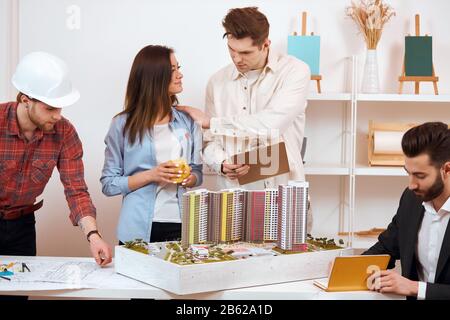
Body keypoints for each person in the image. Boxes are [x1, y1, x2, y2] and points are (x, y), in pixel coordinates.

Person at [176, 7, 311, 228]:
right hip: (234, 198)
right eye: (231, 50)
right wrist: (221, 163)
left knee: (291, 262)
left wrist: (213, 122)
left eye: (246, 53)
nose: (237, 58)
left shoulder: (295, 72)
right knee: (231, 262)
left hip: (284, 195)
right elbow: (209, 140)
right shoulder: (217, 82)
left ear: (265, 44)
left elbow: (272, 123)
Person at [0, 51, 112, 266]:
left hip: (21, 226)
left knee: (20, 292)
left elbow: (76, 190)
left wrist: (93, 235)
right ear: (25, 100)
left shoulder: (64, 133)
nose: (57, 115)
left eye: (60, 107)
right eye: (50, 108)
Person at [101, 45, 203, 244]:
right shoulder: (122, 125)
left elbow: (197, 173)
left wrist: (188, 178)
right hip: (137, 228)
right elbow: (108, 184)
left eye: (178, 68)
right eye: (172, 70)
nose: (180, 75)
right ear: (154, 77)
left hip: (181, 224)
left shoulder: (188, 121)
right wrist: (152, 175)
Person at [365, 122, 450, 300]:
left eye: (420, 176)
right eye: (408, 173)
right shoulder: (411, 199)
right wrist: (342, 269)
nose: (411, 184)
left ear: (447, 170)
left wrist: (415, 288)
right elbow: (387, 247)